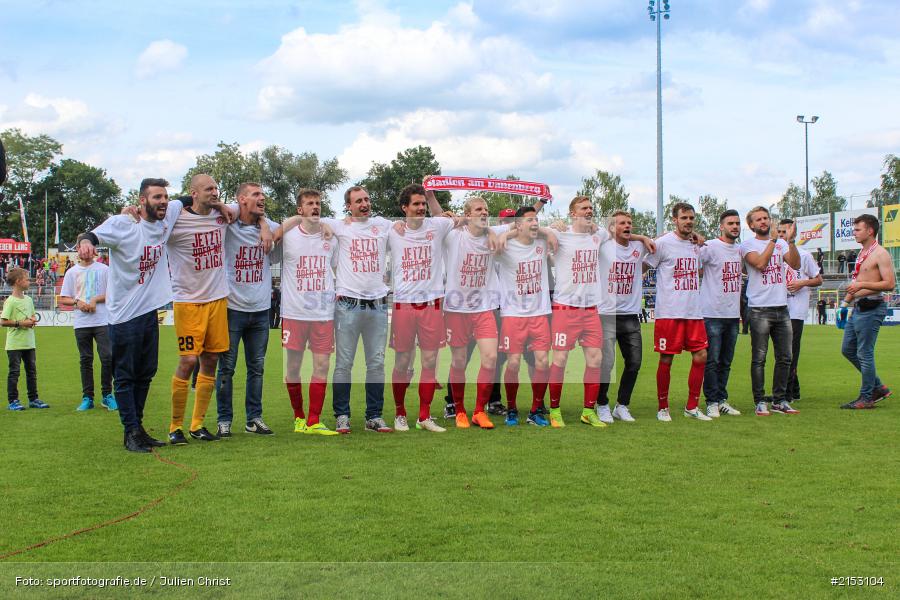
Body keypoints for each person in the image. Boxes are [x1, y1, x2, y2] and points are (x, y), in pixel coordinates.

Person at [87, 177, 179, 452]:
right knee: (125, 376)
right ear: (141, 200)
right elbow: (92, 236)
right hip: (124, 316)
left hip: (149, 312)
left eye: (164, 197)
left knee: (147, 372)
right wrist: (85, 243)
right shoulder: (123, 223)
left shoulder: (168, 216)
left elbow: (189, 200)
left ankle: (138, 427)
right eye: (156, 197)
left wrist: (220, 206)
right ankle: (130, 432)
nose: (163, 202)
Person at [166, 174, 258, 446]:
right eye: (208, 189)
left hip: (218, 299)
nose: (214, 192)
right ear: (193, 193)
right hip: (188, 302)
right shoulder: (176, 221)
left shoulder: (223, 216)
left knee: (211, 360)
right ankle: (174, 427)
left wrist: (262, 225)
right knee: (188, 361)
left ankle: (197, 425)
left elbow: (246, 211)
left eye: (216, 188)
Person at [321, 186, 393, 434]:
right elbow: (304, 218)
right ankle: (342, 415)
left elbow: (416, 229)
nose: (365, 204)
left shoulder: (383, 224)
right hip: (348, 304)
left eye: (367, 199)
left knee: (376, 364)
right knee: (343, 364)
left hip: (378, 304)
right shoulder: (339, 226)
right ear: (348, 206)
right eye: (359, 201)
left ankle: (374, 416)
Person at [215, 182, 280, 438]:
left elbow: (289, 225)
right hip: (232, 309)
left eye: (263, 194)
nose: (262, 197)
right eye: (256, 194)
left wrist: (264, 225)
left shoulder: (271, 227)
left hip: (261, 310)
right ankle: (224, 420)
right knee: (227, 369)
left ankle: (254, 418)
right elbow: (216, 207)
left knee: (257, 368)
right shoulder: (227, 222)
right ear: (241, 199)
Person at [387, 185, 453, 433]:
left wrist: (433, 196)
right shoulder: (391, 230)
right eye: (416, 204)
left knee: (430, 361)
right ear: (404, 207)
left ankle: (424, 416)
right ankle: (400, 413)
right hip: (404, 304)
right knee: (402, 361)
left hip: (433, 304)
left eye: (423, 204)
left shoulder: (436, 226)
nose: (421, 208)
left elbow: (448, 218)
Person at [440, 197, 505, 429]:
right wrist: (430, 197)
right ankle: (459, 410)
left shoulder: (493, 232)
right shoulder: (455, 235)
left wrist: (552, 228)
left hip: (484, 308)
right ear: (467, 214)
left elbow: (524, 225)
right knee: (458, 361)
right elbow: (439, 218)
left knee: (490, 358)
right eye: (479, 209)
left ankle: (479, 411)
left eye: (486, 209)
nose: (484, 212)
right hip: (456, 309)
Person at [279, 189, 340, 435]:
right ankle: (298, 418)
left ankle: (314, 421)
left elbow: (336, 267)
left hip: (323, 314)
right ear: (299, 210)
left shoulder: (331, 237)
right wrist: (288, 224)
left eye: (318, 203)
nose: (315, 207)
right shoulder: (289, 236)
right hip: (294, 313)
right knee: (293, 369)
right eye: (310, 204)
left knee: (322, 366)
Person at [645, 202, 710, 422]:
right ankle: (663, 407)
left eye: (691, 218)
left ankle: (692, 406)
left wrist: (699, 240)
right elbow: (645, 266)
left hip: (694, 311)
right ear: (675, 220)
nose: (689, 221)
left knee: (701, 355)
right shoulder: (663, 243)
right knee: (666, 359)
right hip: (669, 312)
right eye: (684, 218)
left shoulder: (697, 244)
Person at [495, 206, 556, 427]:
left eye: (536, 220)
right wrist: (508, 233)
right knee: (513, 363)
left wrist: (548, 231)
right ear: (518, 224)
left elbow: (557, 230)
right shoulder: (505, 244)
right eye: (530, 220)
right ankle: (511, 408)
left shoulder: (541, 242)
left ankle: (535, 410)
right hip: (513, 315)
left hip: (540, 313)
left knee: (542, 362)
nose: (535, 223)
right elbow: (490, 241)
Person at [596, 210, 656, 424]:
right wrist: (640, 236)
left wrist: (642, 238)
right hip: (606, 314)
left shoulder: (638, 248)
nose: (627, 226)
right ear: (612, 227)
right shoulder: (603, 246)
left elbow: (655, 249)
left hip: (631, 315)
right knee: (606, 364)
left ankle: (622, 405)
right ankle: (601, 404)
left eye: (630, 222)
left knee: (634, 362)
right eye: (622, 223)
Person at [740, 206, 801, 416]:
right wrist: (774, 241)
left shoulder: (782, 243)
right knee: (759, 358)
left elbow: (795, 263)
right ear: (751, 225)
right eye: (759, 219)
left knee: (785, 357)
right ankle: (759, 401)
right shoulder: (747, 244)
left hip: (782, 307)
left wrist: (790, 241)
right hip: (759, 309)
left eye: (766, 218)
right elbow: (760, 264)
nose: (764, 222)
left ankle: (780, 400)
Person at [839, 214, 895, 409]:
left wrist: (861, 284)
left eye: (857, 229)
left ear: (870, 231)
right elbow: (856, 284)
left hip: (872, 307)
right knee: (847, 349)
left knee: (864, 353)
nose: (854, 232)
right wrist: (844, 304)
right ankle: (878, 387)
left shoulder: (881, 253)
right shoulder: (863, 252)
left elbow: (889, 284)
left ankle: (867, 397)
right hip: (859, 307)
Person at [58, 235, 116, 412]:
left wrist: (95, 300)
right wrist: (78, 303)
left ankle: (107, 395)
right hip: (81, 323)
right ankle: (87, 397)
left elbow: (113, 293)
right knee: (85, 360)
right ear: (78, 250)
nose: (85, 252)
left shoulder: (105, 269)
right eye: (82, 248)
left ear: (94, 250)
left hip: (102, 320)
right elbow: (63, 299)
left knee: (107, 357)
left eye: (89, 248)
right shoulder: (71, 272)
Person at [699, 209, 744, 417]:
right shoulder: (710, 246)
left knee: (726, 361)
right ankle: (711, 401)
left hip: (733, 315)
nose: (734, 227)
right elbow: (695, 266)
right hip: (712, 313)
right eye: (730, 223)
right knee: (712, 360)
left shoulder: (740, 250)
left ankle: (721, 399)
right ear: (722, 226)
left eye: (737, 223)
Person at [779, 219, 823, 403]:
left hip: (796, 310)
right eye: (779, 232)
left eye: (785, 232)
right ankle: (793, 390)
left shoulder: (804, 255)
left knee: (790, 353)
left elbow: (818, 279)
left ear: (793, 234)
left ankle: (786, 394)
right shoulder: (774, 255)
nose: (782, 235)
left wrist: (801, 282)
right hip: (780, 308)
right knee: (782, 352)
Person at [2, 267, 47, 411]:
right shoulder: (10, 301)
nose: (29, 281)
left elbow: (33, 316)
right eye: (27, 279)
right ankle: (13, 401)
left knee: (31, 372)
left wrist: (32, 320)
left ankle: (33, 399)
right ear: (18, 281)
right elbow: (3, 321)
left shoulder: (28, 299)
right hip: (14, 345)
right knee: (14, 372)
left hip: (29, 342)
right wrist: (21, 323)